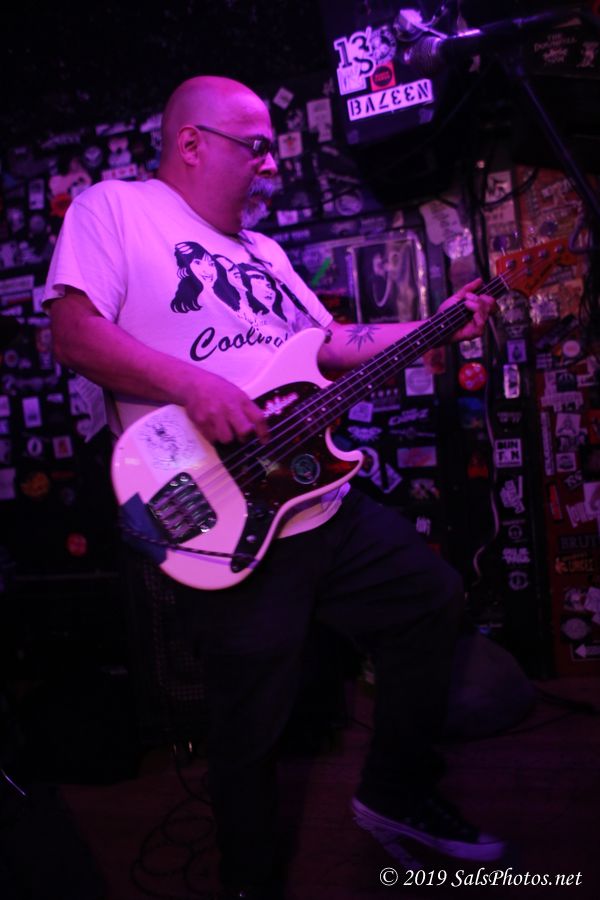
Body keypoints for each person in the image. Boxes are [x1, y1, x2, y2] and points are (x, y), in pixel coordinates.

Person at [45, 75, 504, 900]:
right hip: (225, 510)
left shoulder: (266, 253)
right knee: (249, 725)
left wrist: (440, 322)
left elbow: (327, 345)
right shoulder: (115, 210)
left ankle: (394, 794)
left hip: (317, 496)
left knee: (430, 601)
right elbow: (74, 335)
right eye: (254, 146)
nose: (269, 163)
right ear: (192, 143)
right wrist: (194, 384)